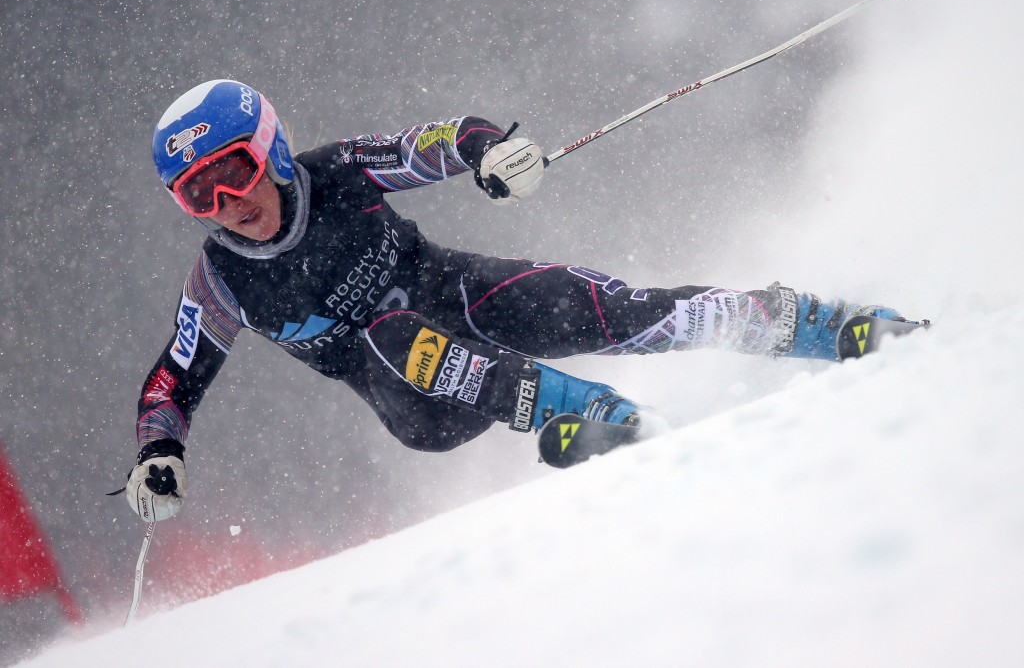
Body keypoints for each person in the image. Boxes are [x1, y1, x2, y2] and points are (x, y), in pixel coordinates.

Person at [125, 79, 904, 521]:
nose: (226, 201)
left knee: (616, 308)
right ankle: (604, 415)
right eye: (197, 194)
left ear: (270, 151)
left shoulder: (337, 175)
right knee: (396, 334)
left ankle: (819, 324)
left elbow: (432, 141)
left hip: (462, 296)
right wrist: (159, 450)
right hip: (417, 404)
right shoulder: (223, 280)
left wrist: (490, 150)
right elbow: (173, 379)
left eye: (231, 170)